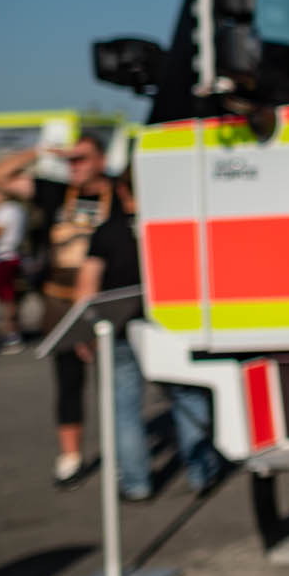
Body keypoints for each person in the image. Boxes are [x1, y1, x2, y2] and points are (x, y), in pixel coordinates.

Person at [72, 174, 225, 501]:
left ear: (122, 189)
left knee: (125, 408)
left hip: (121, 329)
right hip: (170, 326)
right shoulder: (171, 225)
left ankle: (136, 483)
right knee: (187, 396)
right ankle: (202, 472)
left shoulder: (108, 231)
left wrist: (85, 332)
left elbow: (87, 286)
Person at [0, 132, 119, 484]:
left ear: (101, 161)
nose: (73, 165)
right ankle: (71, 457)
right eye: (70, 159)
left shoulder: (119, 192)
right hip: (60, 302)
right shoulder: (55, 192)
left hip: (108, 301)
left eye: (82, 158)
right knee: (67, 380)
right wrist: (40, 151)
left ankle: (123, 451)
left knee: (115, 382)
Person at [0, 188, 26, 354]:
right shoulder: (19, 209)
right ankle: (14, 333)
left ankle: (11, 336)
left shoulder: (3, 211)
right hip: (14, 255)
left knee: (6, 299)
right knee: (12, 297)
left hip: (2, 257)